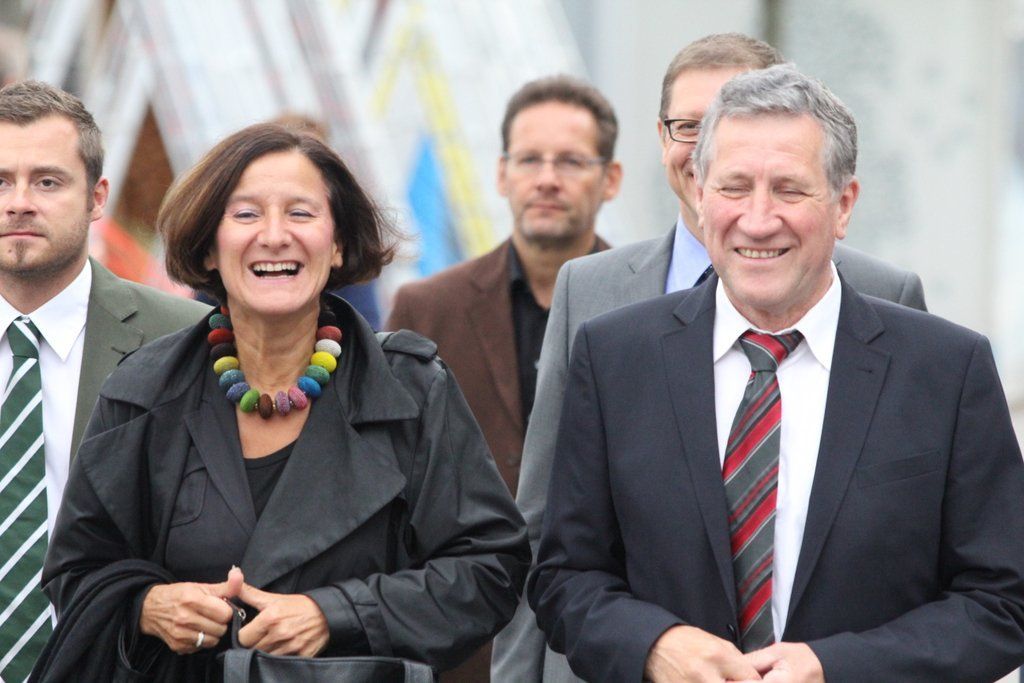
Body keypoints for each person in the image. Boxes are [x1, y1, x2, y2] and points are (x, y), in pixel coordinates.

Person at [528, 64, 1024, 683]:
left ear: (843, 206)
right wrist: (656, 645)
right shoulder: (614, 358)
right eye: (734, 187)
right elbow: (564, 578)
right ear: (700, 195)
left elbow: (1002, 603)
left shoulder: (946, 371)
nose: (758, 219)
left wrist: (835, 668)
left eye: (789, 190)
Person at [35, 123, 530, 680]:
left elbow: (490, 568)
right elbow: (76, 572)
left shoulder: (413, 389)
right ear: (209, 246)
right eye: (246, 214)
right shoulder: (143, 390)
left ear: (338, 244)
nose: (274, 236)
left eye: (300, 213)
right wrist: (148, 606)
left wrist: (337, 614)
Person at [386, 73, 620, 683]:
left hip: (602, 640)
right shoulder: (426, 309)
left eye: (571, 160)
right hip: (461, 645)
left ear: (611, 179)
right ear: (501, 173)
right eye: (530, 159)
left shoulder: (650, 309)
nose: (547, 179)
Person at [0, 80, 208, 679]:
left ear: (97, 198)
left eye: (47, 181)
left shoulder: (183, 340)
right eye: (1, 182)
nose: (19, 203)